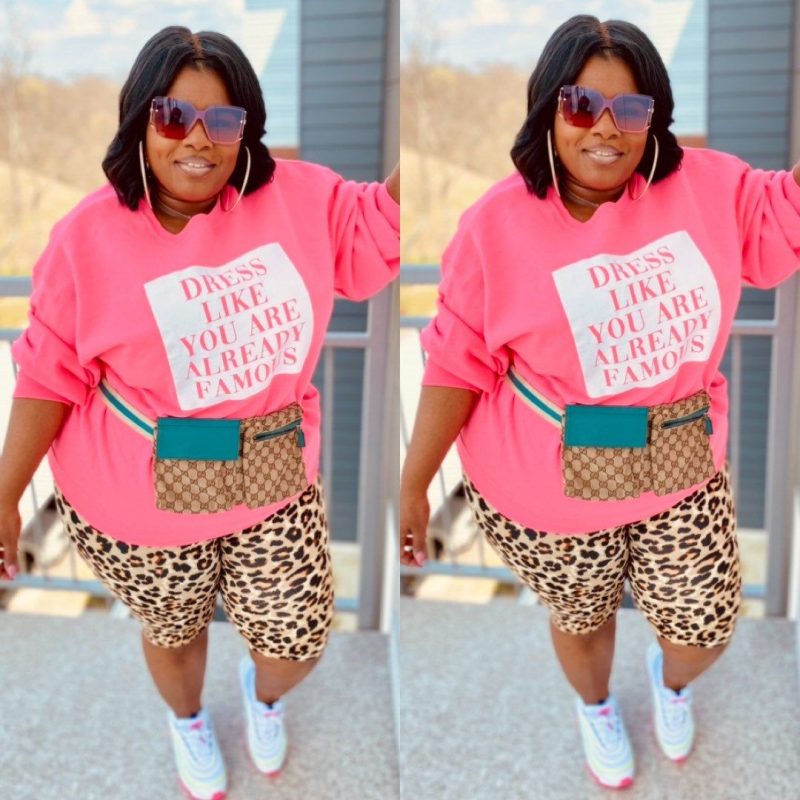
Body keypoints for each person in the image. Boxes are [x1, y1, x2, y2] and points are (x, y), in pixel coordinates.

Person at [400, 14, 800, 790]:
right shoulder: (494, 225)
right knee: (582, 619)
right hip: (543, 482)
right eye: (583, 105)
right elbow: (455, 363)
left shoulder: (711, 188)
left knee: (706, 626)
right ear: (549, 109)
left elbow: (786, 210)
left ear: (656, 117)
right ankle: (597, 708)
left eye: (632, 108)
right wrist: (416, 482)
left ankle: (671, 685)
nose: (607, 128)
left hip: (676, 465)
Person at [0, 26, 399, 800]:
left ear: (246, 128)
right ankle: (188, 720)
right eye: (173, 116)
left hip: (270, 477)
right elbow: (48, 374)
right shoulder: (86, 235)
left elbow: (385, 219)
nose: (197, 139)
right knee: (174, 631)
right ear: (139, 122)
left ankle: (262, 697)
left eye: (222, 120)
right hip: (136, 490)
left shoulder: (303, 199)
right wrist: (5, 492)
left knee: (296, 640)